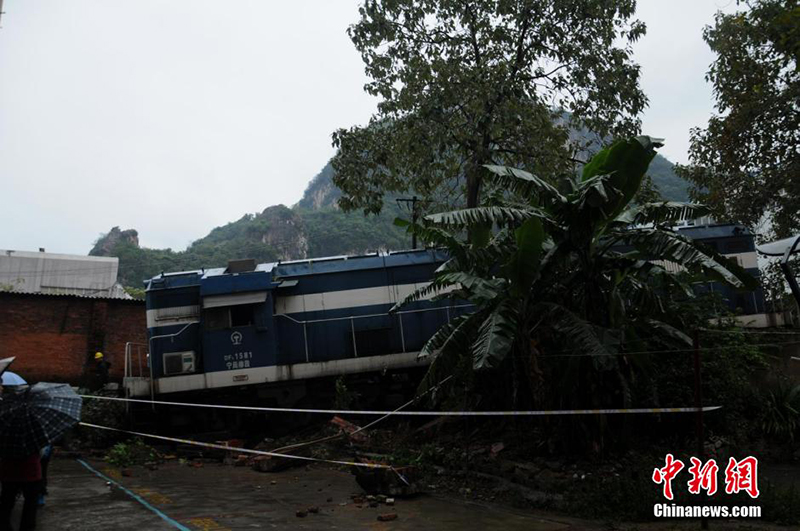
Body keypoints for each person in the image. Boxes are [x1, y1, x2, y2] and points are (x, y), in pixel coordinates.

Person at [0, 453, 42, 531]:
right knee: (30, 506)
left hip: (8, 472)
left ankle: (4, 526)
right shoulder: (32, 442)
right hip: (31, 472)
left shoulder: (6, 442)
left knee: (6, 504)